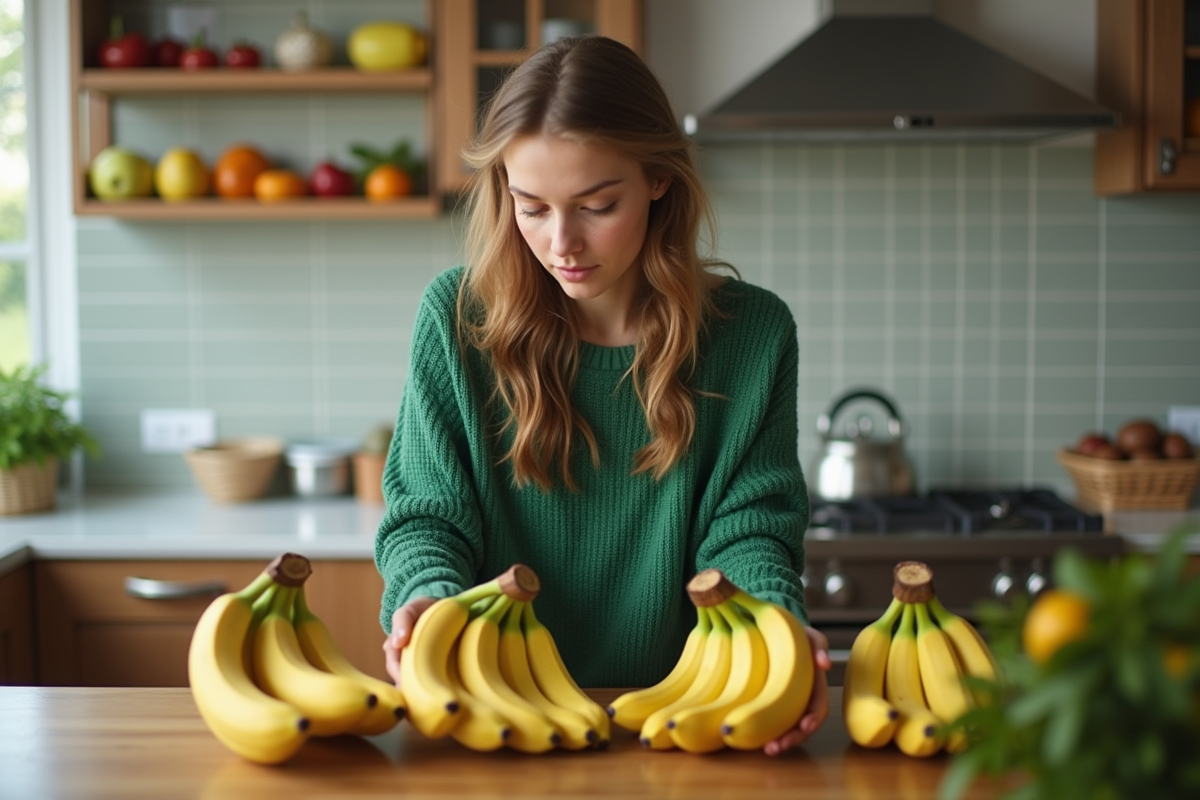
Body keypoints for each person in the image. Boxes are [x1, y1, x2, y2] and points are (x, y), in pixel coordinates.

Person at [375, 34, 830, 755]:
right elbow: (429, 514)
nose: (562, 243)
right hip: (492, 722)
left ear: (657, 179)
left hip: (684, 733)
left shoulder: (753, 335)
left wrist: (774, 628)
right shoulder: (456, 320)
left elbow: (751, 527)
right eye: (531, 207)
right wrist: (424, 597)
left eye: (596, 204)